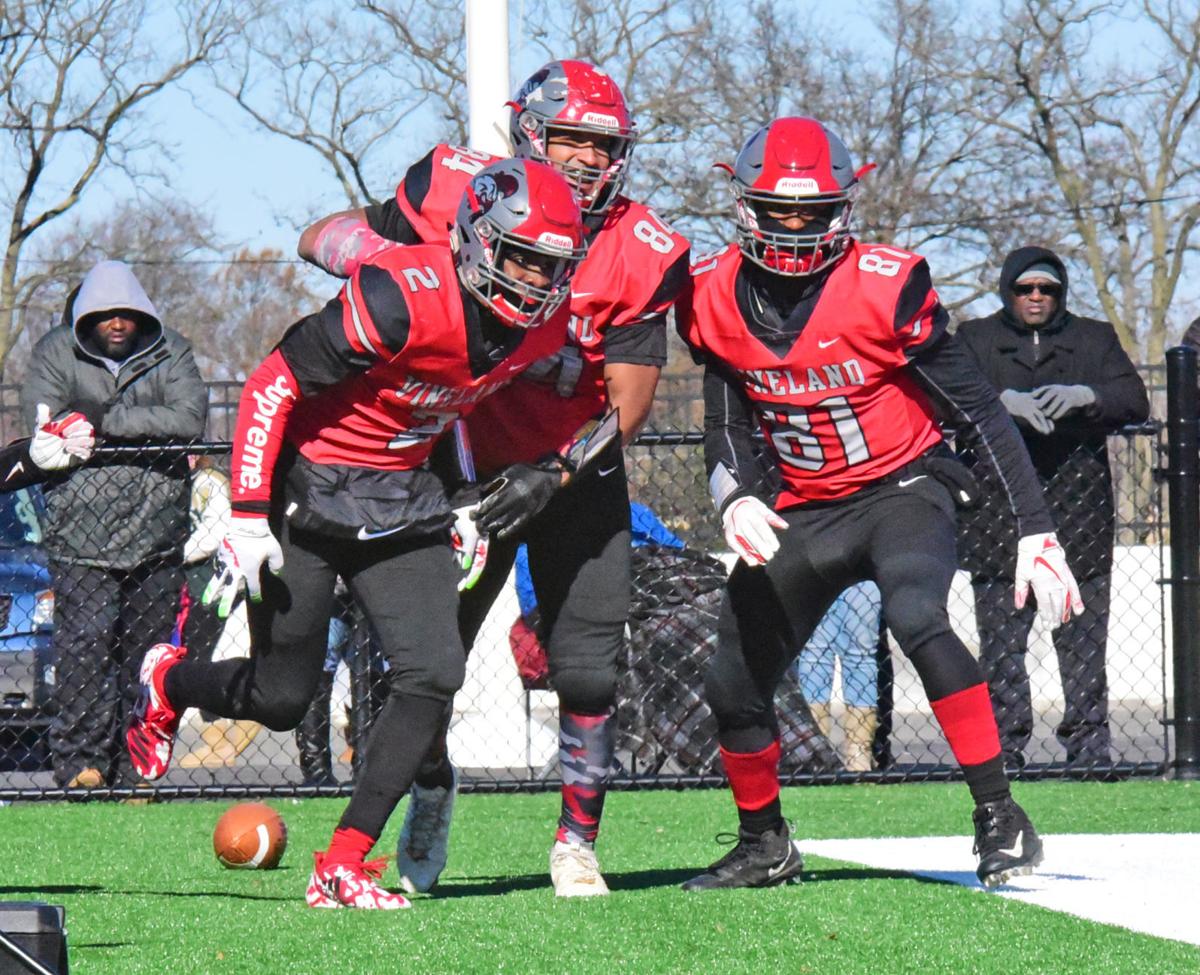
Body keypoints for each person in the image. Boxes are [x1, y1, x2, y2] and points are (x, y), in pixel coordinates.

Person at [126, 158, 587, 910]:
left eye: (551, 266)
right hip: (307, 488)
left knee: (434, 673)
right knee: (282, 696)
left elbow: (471, 402)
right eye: (521, 257)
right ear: (476, 240)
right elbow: (271, 383)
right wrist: (248, 513)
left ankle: (344, 861)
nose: (536, 281)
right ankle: (168, 680)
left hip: (403, 497)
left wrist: (469, 495)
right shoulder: (402, 295)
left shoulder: (543, 335)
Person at [298, 60, 689, 898]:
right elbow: (321, 234)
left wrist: (555, 473)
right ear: (531, 133)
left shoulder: (641, 248)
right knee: (421, 665)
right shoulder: (457, 186)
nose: (588, 159)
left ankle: (576, 840)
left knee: (589, 667)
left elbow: (629, 403)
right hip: (462, 467)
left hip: (575, 468)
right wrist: (386, 263)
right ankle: (430, 780)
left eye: (604, 146)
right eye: (573, 139)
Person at [674, 117, 1083, 891]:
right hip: (802, 505)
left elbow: (978, 408)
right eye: (780, 210)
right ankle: (764, 841)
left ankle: (999, 811)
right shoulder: (710, 294)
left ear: (842, 209)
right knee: (732, 676)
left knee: (915, 614)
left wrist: (1036, 526)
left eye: (813, 213)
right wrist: (734, 495)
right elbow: (725, 423)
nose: (795, 229)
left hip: (902, 487)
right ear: (745, 205)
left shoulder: (884, 286)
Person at [956, 248, 1149, 768]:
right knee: (1001, 642)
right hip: (998, 511)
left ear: (1061, 293)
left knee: (1083, 637)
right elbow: (941, 398)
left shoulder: (1093, 338)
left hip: (1078, 510)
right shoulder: (974, 339)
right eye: (1025, 289)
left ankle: (1088, 746)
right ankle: (1003, 747)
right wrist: (999, 402)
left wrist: (1087, 395)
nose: (1036, 297)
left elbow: (1135, 398)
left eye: (1047, 289)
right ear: (1008, 292)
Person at [20, 260, 207, 790]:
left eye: (126, 313)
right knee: (84, 650)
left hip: (158, 532)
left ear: (143, 313)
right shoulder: (55, 353)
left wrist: (102, 421)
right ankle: (81, 764)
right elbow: (50, 425)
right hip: (81, 536)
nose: (117, 323)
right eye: (105, 314)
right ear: (85, 317)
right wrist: (137, 429)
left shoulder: (172, 351)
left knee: (147, 660)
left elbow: (188, 419)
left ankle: (134, 768)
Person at [176, 455, 261, 769]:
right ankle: (217, 741)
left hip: (219, 584)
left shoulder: (209, 482)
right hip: (200, 584)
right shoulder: (186, 482)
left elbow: (215, 532)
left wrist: (175, 553)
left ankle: (224, 743)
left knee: (207, 657)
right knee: (197, 656)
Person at [794, 580, 882, 772]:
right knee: (859, 654)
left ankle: (816, 751)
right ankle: (859, 755)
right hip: (863, 570)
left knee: (816, 651)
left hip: (819, 568)